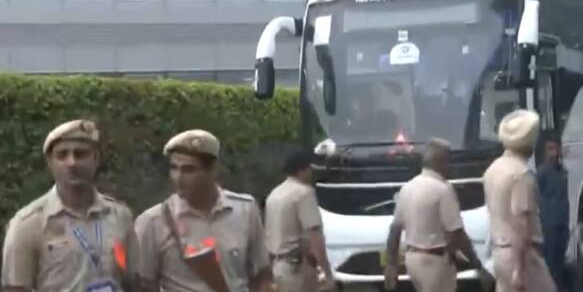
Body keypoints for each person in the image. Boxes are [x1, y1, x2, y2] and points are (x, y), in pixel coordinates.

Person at [1, 119, 140, 292]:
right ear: (50, 163)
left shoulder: (120, 217)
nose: (72, 163)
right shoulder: (27, 224)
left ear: (96, 159)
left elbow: (133, 282)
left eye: (80, 154)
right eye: (62, 155)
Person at [135, 129, 273, 292]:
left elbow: (262, 273)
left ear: (212, 170)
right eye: (174, 168)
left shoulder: (244, 209)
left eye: (189, 169)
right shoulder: (153, 221)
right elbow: (142, 284)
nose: (178, 178)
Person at [384, 137, 495, 292]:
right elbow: (457, 233)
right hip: (434, 263)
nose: (450, 166)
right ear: (440, 162)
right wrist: (478, 266)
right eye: (448, 160)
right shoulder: (443, 190)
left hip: (412, 261)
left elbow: (395, 230)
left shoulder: (407, 188)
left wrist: (391, 265)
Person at [483, 110, 555, 292]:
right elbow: (521, 225)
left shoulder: (493, 169)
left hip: (499, 252)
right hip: (522, 256)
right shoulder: (521, 175)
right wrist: (520, 270)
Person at [265, 151, 335, 292]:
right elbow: (314, 235)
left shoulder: (274, 194)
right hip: (298, 268)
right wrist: (327, 273)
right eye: (310, 168)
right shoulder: (304, 193)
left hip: (277, 266)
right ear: (302, 169)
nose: (312, 172)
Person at [537, 130, 569, 291]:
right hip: (549, 227)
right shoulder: (542, 172)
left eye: (555, 148)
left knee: (559, 264)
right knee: (550, 266)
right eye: (549, 149)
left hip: (561, 225)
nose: (553, 153)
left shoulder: (562, 172)